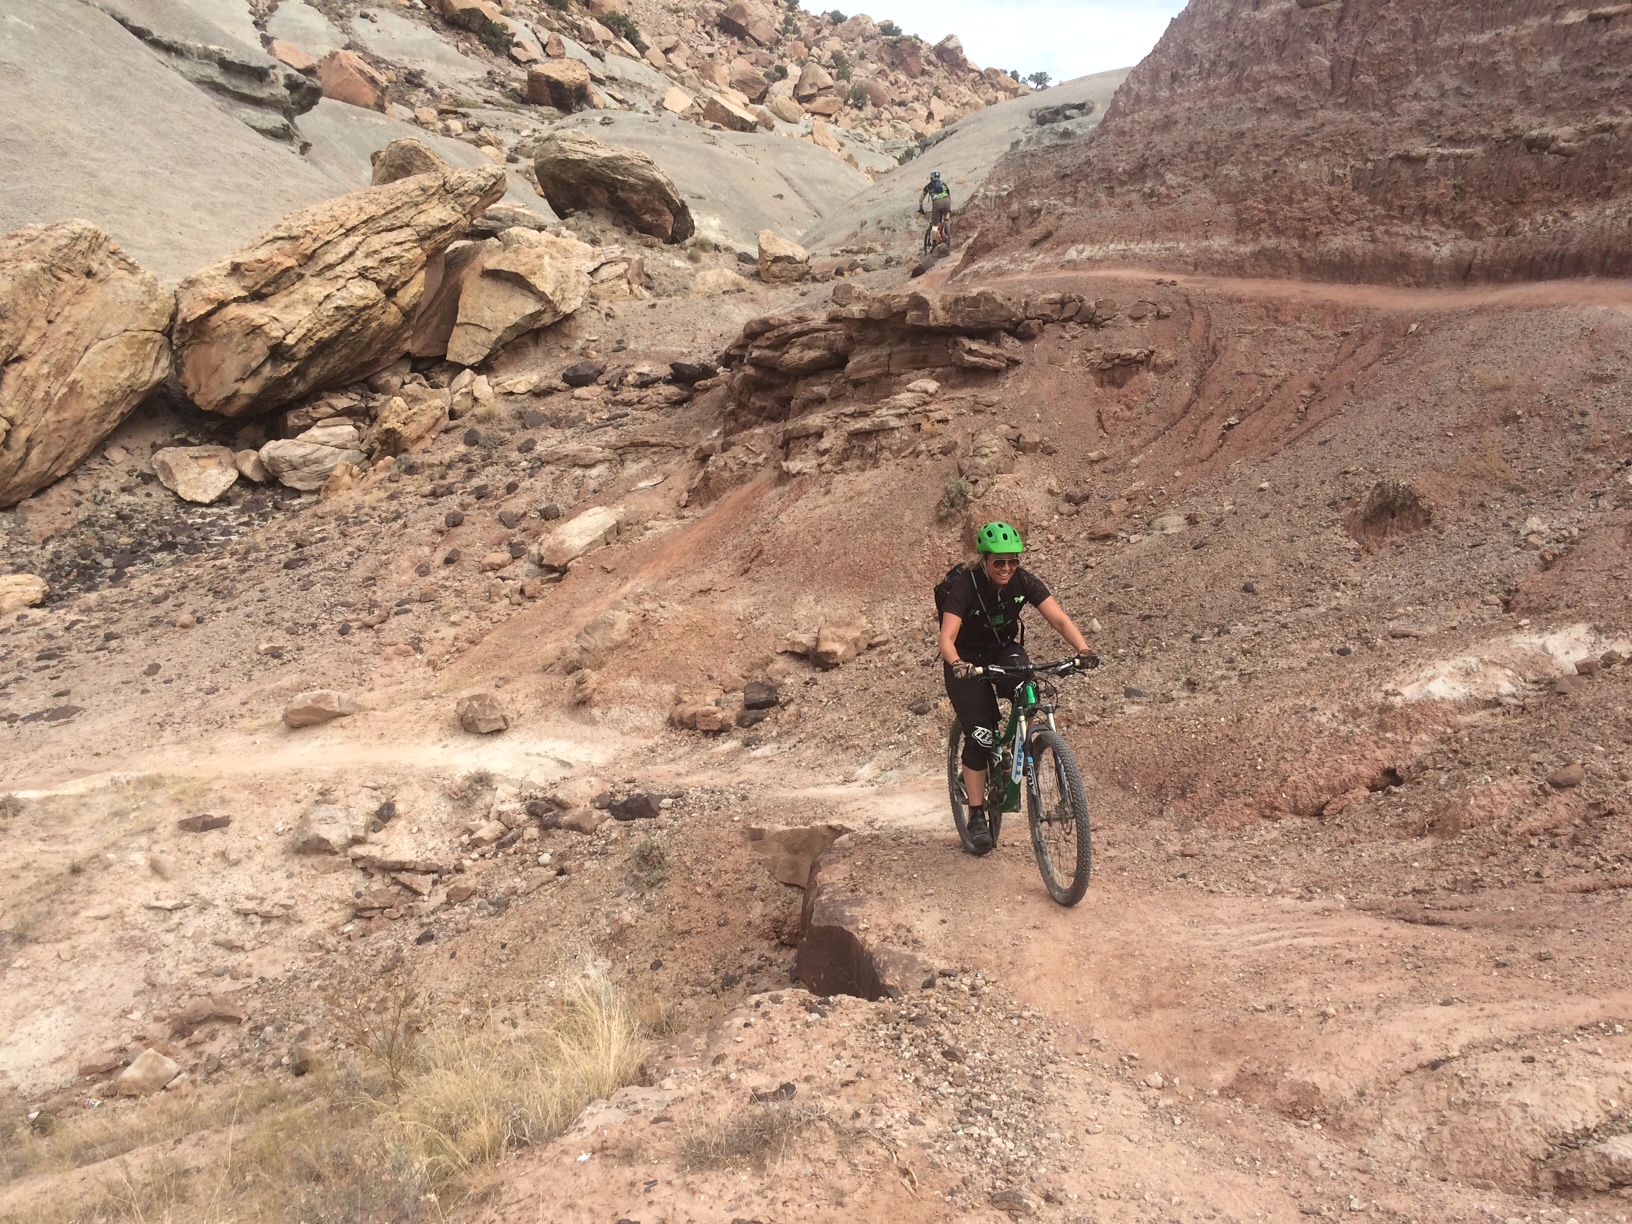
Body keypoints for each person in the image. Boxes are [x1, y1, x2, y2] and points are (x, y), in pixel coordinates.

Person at [938, 522, 1096, 853]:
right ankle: (977, 814)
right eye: (999, 562)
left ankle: (1021, 743)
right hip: (966, 660)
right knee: (981, 733)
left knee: (1027, 683)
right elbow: (947, 638)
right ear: (984, 560)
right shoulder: (966, 586)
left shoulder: (1023, 581)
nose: (1007, 568)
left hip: (1001, 650)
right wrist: (957, 664)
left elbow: (1059, 619)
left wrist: (1083, 650)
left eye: (1013, 561)